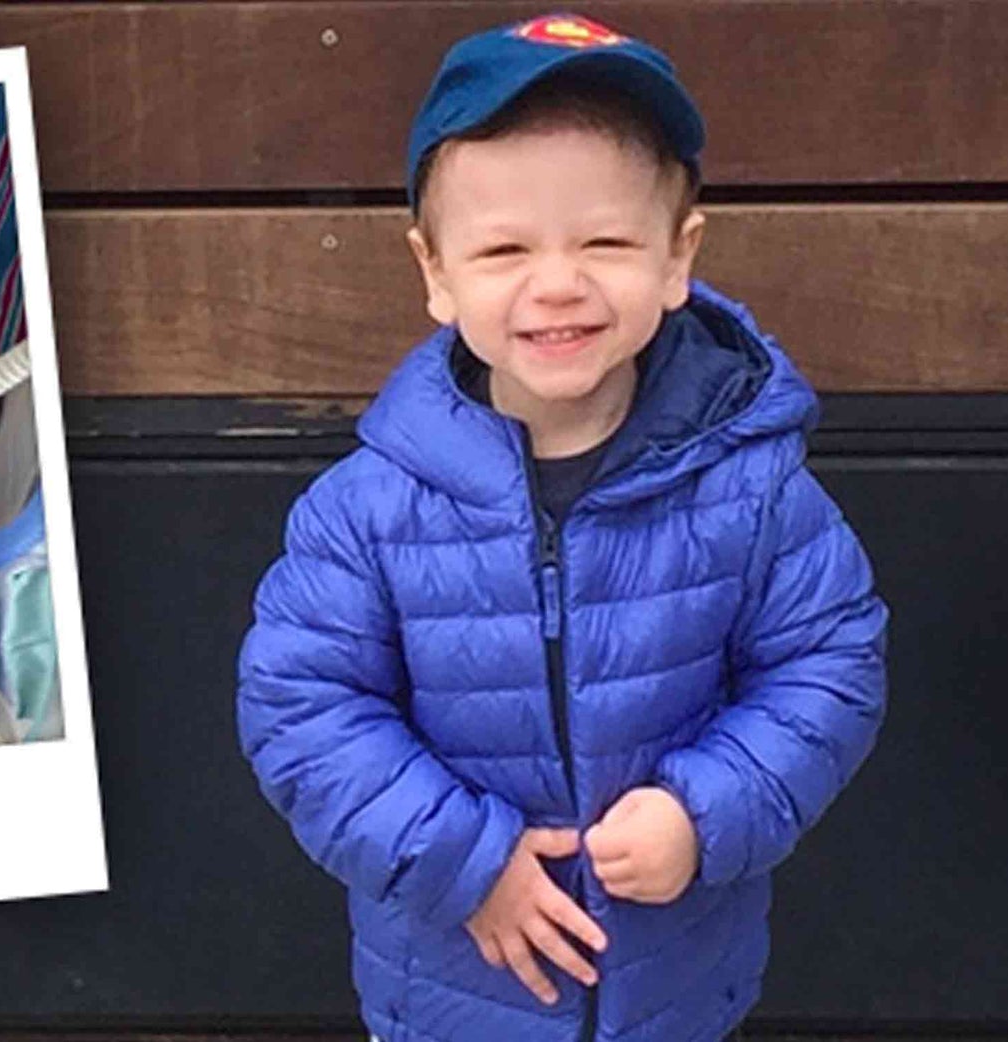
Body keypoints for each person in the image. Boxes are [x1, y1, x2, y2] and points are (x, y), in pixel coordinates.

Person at [236, 14, 888, 1042]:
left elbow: (829, 665)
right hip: (450, 987)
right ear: (434, 272)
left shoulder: (750, 488)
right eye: (501, 248)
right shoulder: (367, 509)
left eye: (604, 241)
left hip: (675, 985)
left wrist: (702, 809)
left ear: (677, 258)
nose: (556, 283)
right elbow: (300, 708)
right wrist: (464, 860)